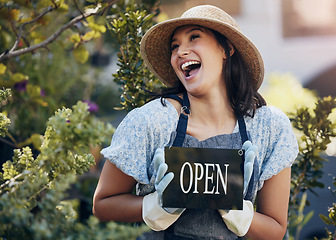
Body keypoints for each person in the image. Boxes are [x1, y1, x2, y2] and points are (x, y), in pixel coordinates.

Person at [93, 5, 299, 240]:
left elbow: (275, 229)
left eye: (194, 37)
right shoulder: (151, 122)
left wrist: (237, 211)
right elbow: (102, 204)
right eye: (175, 46)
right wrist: (155, 206)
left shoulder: (268, 128)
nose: (181, 52)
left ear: (226, 48)